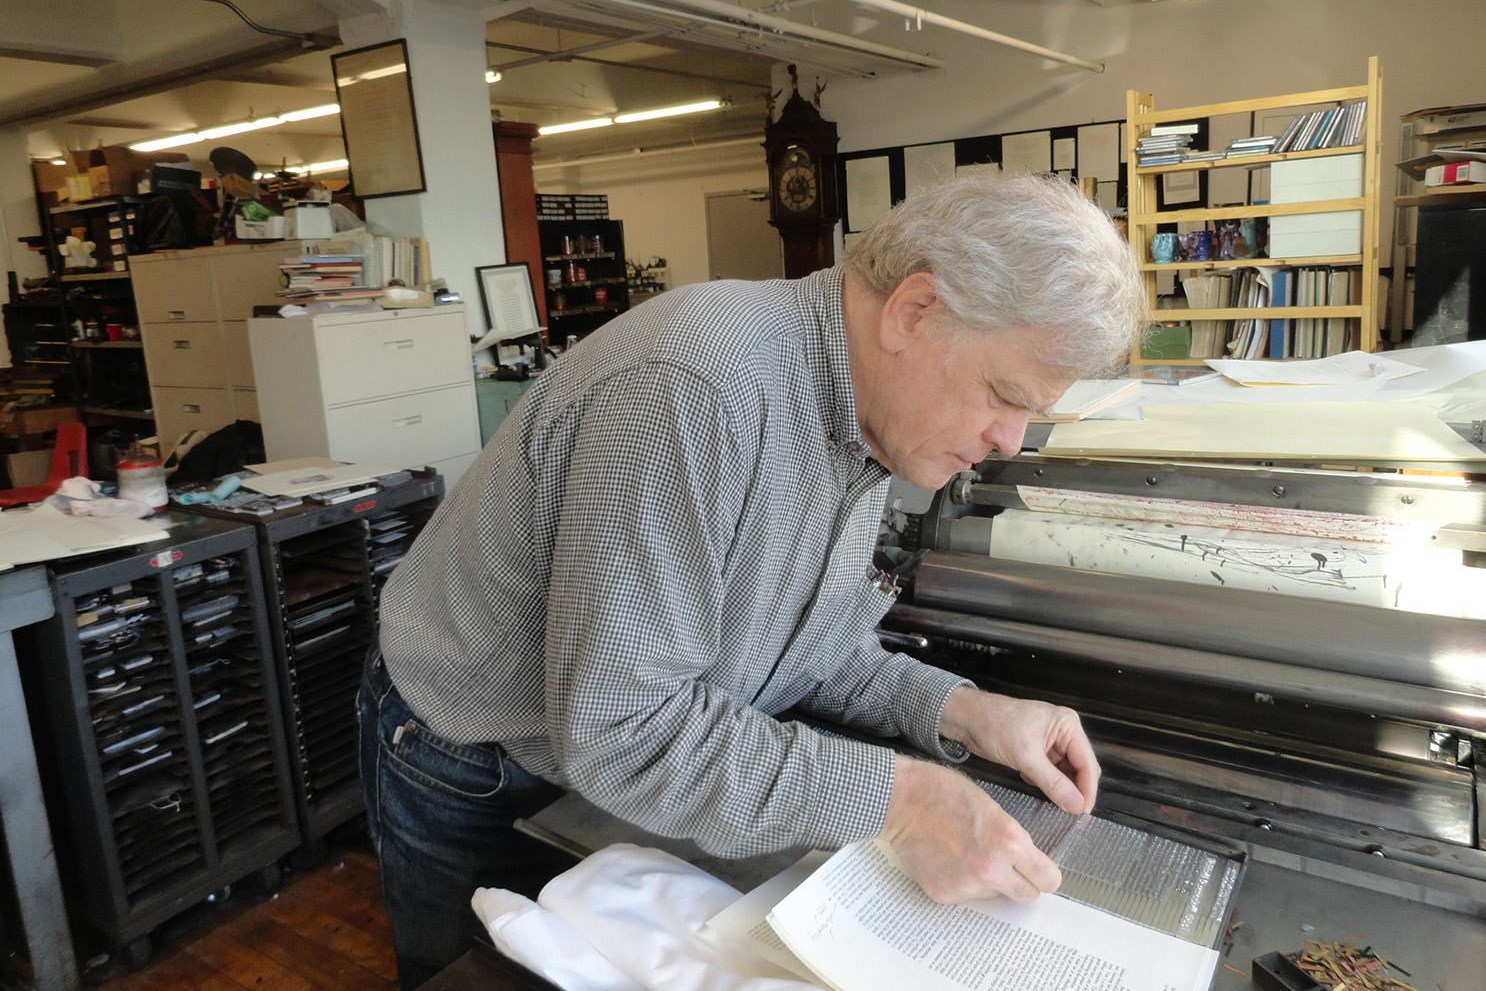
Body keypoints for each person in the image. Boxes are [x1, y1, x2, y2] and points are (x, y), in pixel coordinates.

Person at [358, 171, 1148, 988]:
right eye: (1003, 395)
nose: (1011, 440)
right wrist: (905, 803)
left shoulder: (866, 418)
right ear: (915, 312)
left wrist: (962, 709)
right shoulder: (694, 391)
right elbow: (626, 726)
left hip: (590, 758)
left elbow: (801, 644)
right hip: (474, 755)